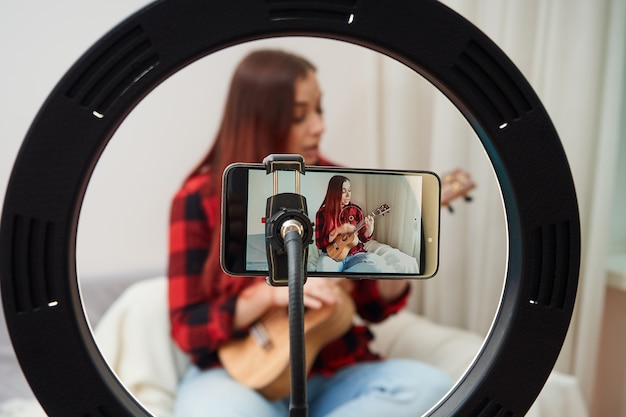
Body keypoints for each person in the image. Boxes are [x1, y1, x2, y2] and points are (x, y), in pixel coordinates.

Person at [168, 49, 452, 417]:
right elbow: (189, 329)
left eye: (320, 110)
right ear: (258, 119)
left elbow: (373, 308)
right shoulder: (198, 199)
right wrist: (272, 296)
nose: (319, 126)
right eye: (300, 115)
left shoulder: (339, 182)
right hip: (239, 374)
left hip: (337, 371)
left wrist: (394, 265)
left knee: (436, 389)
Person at [315, 175, 390, 273]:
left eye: (349, 190)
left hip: (355, 255)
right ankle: (347, 276)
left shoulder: (356, 210)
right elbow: (320, 244)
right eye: (343, 191)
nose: (348, 195)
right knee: (324, 269)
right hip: (332, 256)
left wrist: (369, 229)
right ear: (334, 192)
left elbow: (363, 238)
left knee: (378, 264)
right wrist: (337, 230)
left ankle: (342, 277)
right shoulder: (322, 213)